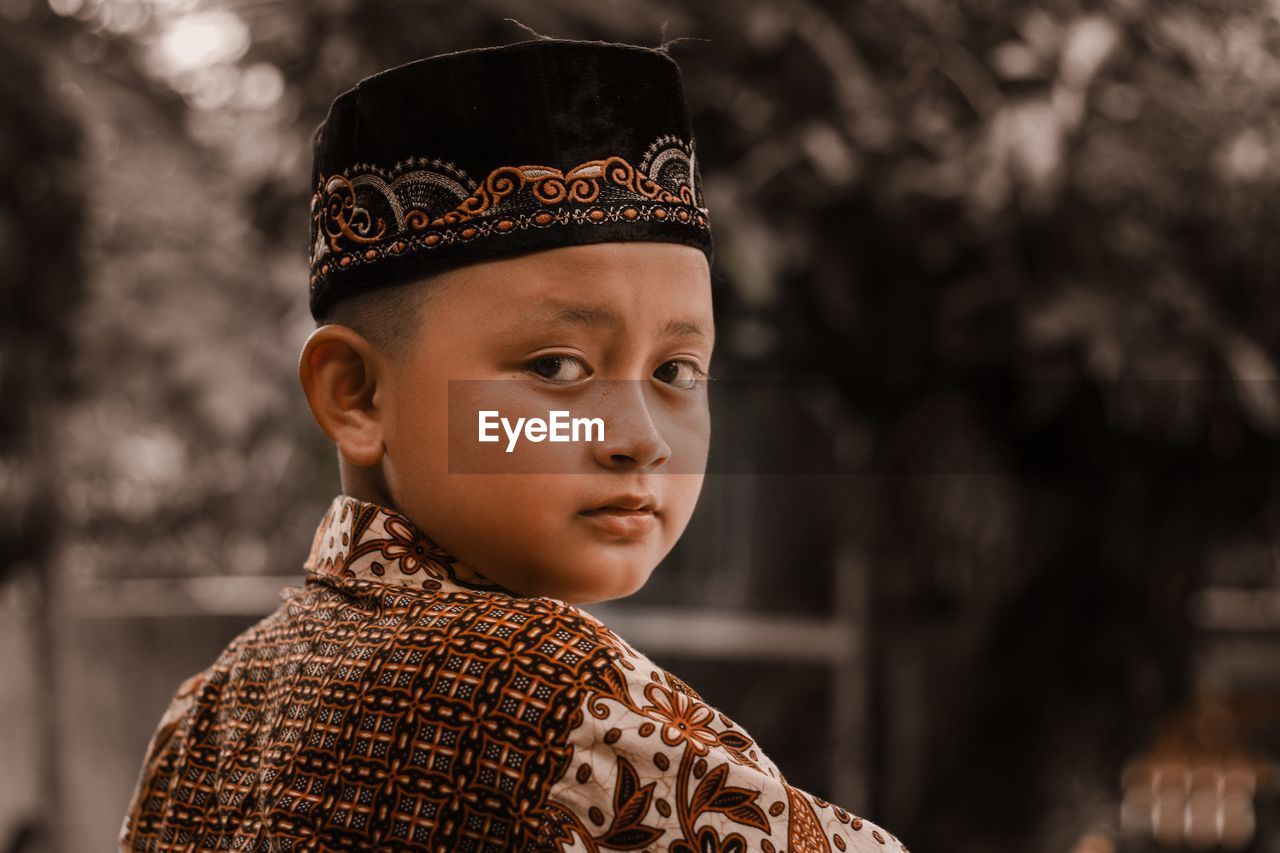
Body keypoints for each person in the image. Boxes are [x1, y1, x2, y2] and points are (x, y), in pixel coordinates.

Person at [120, 37, 908, 852]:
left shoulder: (202, 719)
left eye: (678, 369)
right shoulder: (562, 698)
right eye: (557, 366)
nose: (639, 438)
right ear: (354, 394)